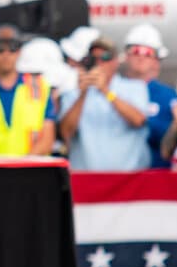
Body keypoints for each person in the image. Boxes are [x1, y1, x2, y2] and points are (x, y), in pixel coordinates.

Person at [57, 39, 154, 172]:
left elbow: (138, 120)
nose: (99, 63)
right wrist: (82, 94)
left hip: (128, 180)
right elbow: (65, 133)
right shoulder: (74, 93)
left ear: (115, 62)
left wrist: (105, 91)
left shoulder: (135, 87)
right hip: (86, 178)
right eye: (93, 58)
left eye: (105, 57)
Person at [0, 24, 56, 157]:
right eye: (0, 50)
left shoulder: (40, 87)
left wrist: (22, 166)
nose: (6, 55)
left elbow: (47, 139)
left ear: (19, 52)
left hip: (31, 172)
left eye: (12, 49)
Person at [121, 23, 177, 168]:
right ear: (126, 56)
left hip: (156, 179)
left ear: (157, 60)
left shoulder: (168, 96)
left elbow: (170, 141)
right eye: (136, 51)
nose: (141, 57)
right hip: (119, 178)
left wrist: (141, 121)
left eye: (147, 53)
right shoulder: (113, 91)